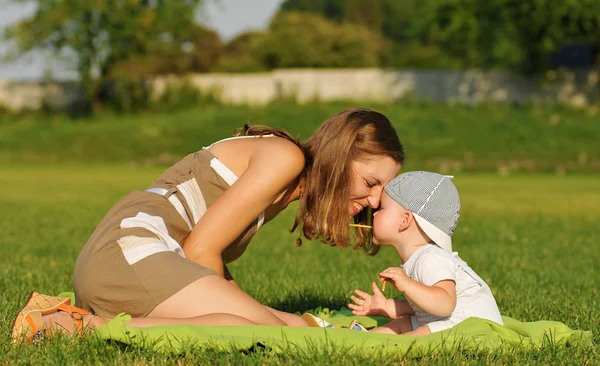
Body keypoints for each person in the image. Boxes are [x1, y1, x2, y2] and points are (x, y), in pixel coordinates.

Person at [12, 108, 405, 343]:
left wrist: (303, 321)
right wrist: (298, 332)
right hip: (131, 255)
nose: (373, 202)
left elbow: (207, 268)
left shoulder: (288, 179)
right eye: (371, 183)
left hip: (120, 258)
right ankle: (79, 326)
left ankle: (63, 319)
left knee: (242, 321)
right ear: (340, 158)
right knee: (258, 331)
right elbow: (200, 252)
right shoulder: (285, 159)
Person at [348, 171, 503, 335]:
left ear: (405, 220)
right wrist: (385, 306)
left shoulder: (430, 258)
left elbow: (445, 304)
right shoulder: (418, 257)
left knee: (418, 334)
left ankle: (390, 345)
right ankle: (367, 338)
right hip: (447, 320)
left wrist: (408, 285)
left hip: (472, 324)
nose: (375, 213)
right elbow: (424, 305)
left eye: (382, 208)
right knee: (404, 323)